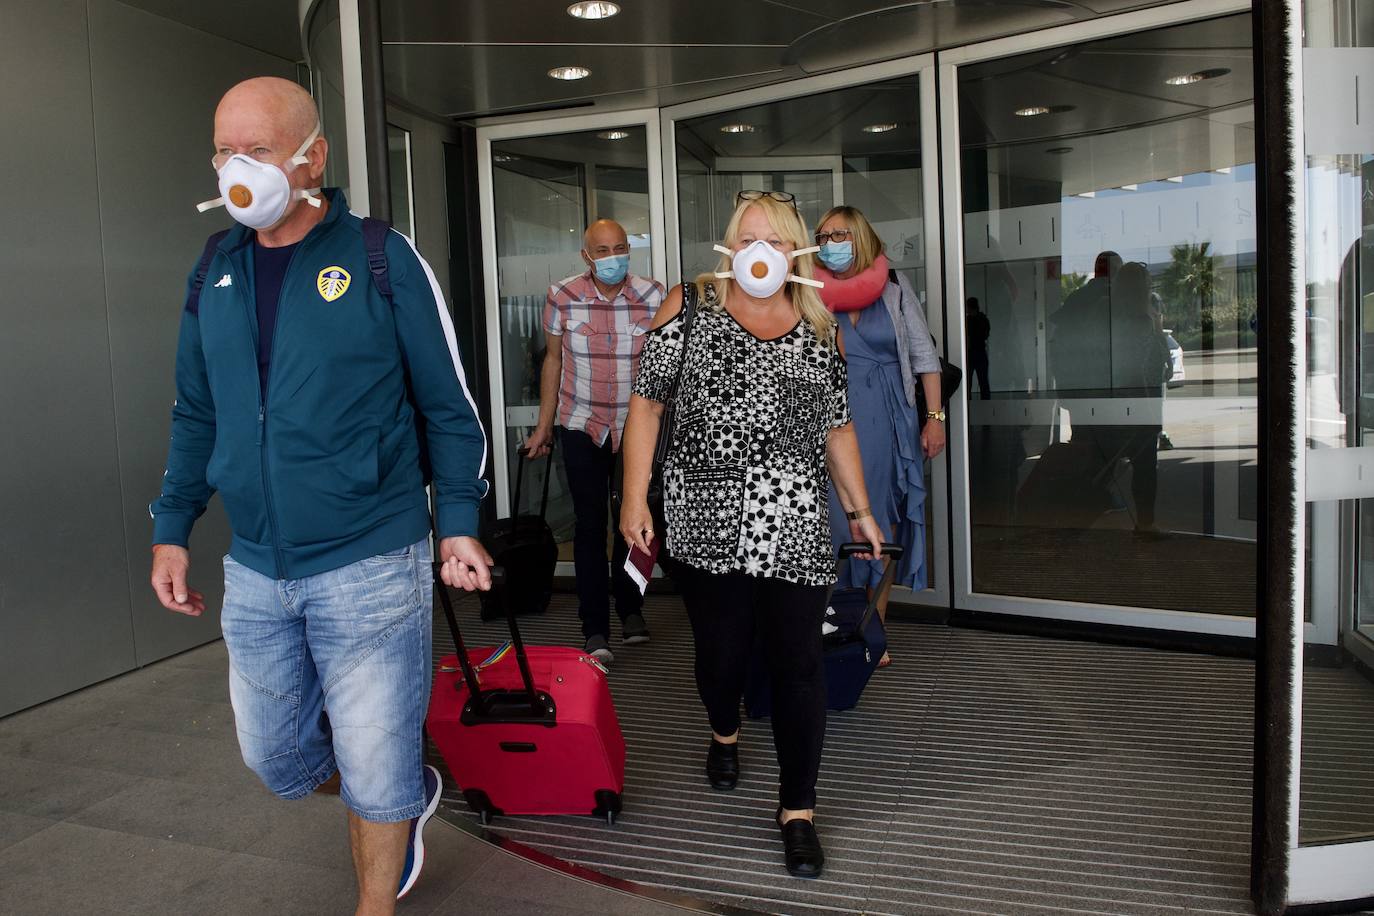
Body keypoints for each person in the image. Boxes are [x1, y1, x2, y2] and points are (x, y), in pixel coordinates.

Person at [148, 77, 492, 916]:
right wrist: (171, 526)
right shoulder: (214, 268)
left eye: (258, 151)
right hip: (259, 566)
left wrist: (457, 525)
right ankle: (396, 793)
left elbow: (448, 404)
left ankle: (379, 870)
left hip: (372, 557)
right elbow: (197, 410)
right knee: (276, 760)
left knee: (376, 761)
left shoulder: (378, 256)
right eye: (224, 151)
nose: (238, 169)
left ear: (313, 156)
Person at [619, 190, 883, 880]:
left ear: (794, 251)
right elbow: (646, 404)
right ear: (728, 248)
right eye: (744, 239)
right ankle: (724, 729)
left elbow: (837, 425)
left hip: (793, 518)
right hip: (704, 517)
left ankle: (798, 809)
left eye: (771, 239)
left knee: (799, 662)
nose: (755, 253)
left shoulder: (819, 326)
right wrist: (633, 498)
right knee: (723, 657)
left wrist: (858, 509)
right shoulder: (691, 305)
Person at [524, 219, 666, 664]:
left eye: (620, 248)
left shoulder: (652, 295)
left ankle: (631, 609)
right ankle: (595, 625)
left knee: (634, 519)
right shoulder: (562, 295)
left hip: (635, 427)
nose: (612, 257)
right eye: (602, 250)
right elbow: (552, 360)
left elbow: (667, 364)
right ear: (587, 256)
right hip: (581, 422)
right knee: (589, 526)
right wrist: (545, 426)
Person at [811, 206, 946, 667]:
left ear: (862, 237)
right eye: (823, 235)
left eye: (840, 234)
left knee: (881, 521)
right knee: (831, 522)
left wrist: (935, 417)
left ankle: (874, 626)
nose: (830, 242)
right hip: (832, 421)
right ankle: (833, 619)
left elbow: (925, 356)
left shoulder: (894, 288)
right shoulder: (808, 292)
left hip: (889, 419)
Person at [966, 296, 992, 400]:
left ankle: (968, 403)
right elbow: (986, 335)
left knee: (969, 382)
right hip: (980, 352)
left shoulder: (967, 321)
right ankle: (986, 404)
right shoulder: (983, 319)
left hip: (971, 352)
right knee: (983, 381)